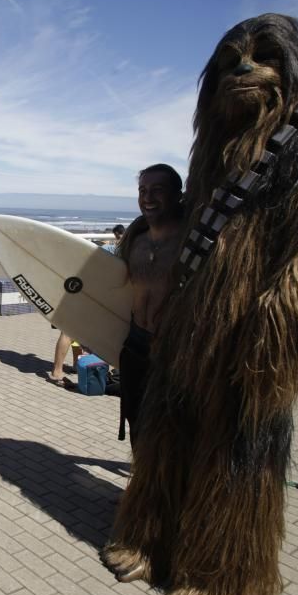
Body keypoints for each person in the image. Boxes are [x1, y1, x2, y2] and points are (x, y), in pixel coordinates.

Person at [115, 164, 186, 445]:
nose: (148, 198)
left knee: (170, 430)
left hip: (172, 350)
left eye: (158, 190)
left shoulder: (190, 244)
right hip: (134, 345)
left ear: (178, 196)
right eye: (143, 191)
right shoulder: (135, 241)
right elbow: (112, 289)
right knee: (138, 423)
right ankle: (142, 481)